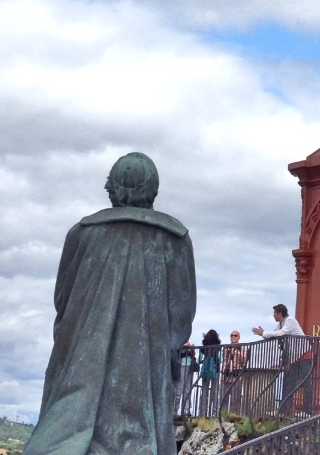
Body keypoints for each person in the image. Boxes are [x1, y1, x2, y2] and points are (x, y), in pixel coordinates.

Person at [23, 152, 196, 455]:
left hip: (82, 358)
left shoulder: (82, 234)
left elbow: (62, 301)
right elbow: (182, 316)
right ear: (153, 189)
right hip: (146, 365)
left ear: (112, 188)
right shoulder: (175, 240)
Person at [253, 305, 311, 415]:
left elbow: (280, 334)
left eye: (274, 313)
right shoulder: (280, 324)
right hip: (295, 359)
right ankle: (283, 411)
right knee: (287, 384)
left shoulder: (290, 321)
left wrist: (264, 333)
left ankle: (307, 412)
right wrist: (264, 333)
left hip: (304, 356)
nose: (273, 315)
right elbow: (273, 335)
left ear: (279, 313)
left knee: (306, 384)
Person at [222, 330, 249, 411]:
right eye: (232, 335)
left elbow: (244, 361)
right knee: (223, 398)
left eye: (235, 335)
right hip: (226, 375)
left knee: (235, 398)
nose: (233, 337)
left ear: (239, 337)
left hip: (236, 376)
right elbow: (224, 356)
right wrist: (229, 350)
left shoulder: (242, 349)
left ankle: (234, 415)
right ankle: (223, 414)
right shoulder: (226, 347)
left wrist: (236, 352)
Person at [197, 329, 221, 417]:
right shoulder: (218, 348)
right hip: (216, 371)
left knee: (204, 392)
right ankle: (214, 413)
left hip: (206, 372)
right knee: (214, 392)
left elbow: (199, 360)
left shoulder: (203, 348)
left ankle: (202, 413)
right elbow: (221, 359)